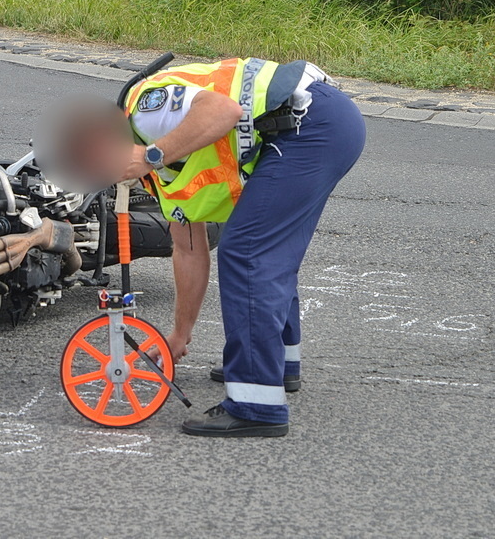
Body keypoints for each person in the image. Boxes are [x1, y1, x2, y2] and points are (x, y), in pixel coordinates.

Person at [41, 57, 366, 437]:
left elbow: (223, 109)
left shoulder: (146, 111)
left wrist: (149, 156)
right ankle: (276, 367)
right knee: (263, 250)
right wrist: (180, 334)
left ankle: (256, 405)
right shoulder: (157, 172)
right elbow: (189, 250)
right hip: (315, 128)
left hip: (310, 123)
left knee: (248, 252)